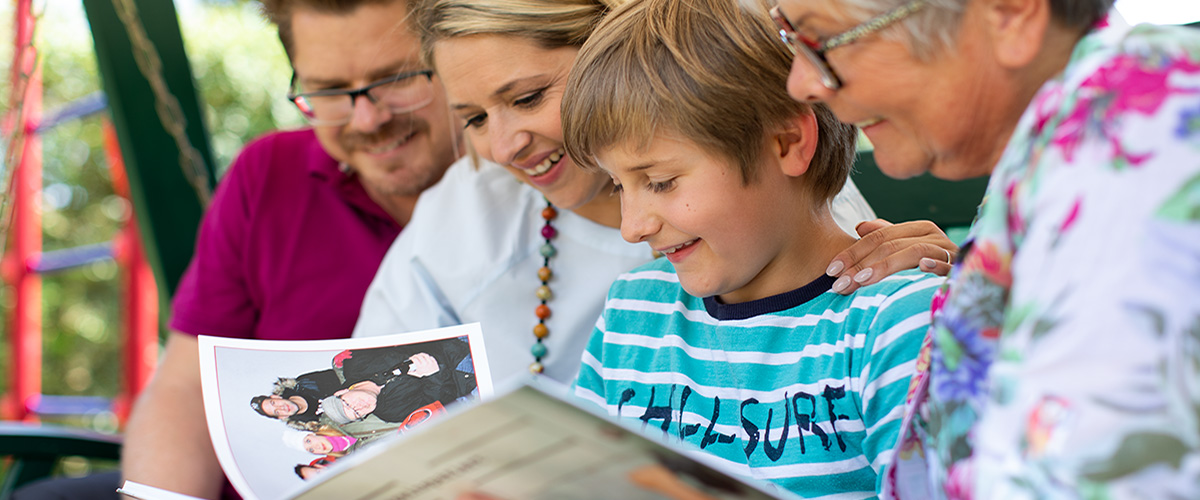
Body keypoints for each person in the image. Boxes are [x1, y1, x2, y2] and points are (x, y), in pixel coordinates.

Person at [352, 0, 957, 384]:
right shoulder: (468, 210)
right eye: (476, 119)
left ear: (613, 50)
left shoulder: (772, 202)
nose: (506, 146)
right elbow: (366, 387)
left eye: (529, 97)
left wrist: (944, 289)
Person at [771, 0, 1200, 497]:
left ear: (1009, 13)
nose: (801, 84)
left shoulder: (1139, 139)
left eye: (823, 41)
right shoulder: (1061, 145)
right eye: (790, 38)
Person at [560, 0, 940, 496]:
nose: (632, 227)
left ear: (786, 142)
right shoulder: (631, 311)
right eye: (617, 185)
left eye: (661, 181)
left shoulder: (894, 325)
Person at [102, 0, 462, 498]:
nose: (367, 119)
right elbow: (187, 385)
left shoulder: (527, 186)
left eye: (396, 79)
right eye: (330, 91)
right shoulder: (267, 176)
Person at [250, 368, 343, 430]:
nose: (281, 407)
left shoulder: (304, 383)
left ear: (276, 397)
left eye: (273, 403)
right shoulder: (315, 425)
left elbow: (341, 374)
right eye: (277, 412)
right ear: (282, 417)